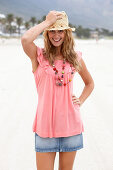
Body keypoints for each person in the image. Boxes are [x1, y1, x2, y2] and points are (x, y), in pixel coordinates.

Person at [21, 10, 94, 170]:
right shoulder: (39, 56)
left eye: (60, 30)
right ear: (47, 34)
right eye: (52, 31)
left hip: (71, 126)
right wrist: (47, 22)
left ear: (67, 33)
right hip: (45, 128)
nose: (56, 35)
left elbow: (89, 83)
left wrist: (80, 100)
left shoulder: (75, 58)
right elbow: (26, 39)